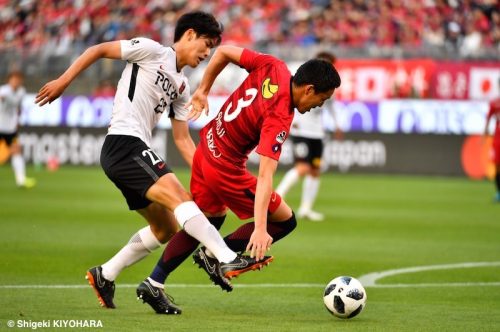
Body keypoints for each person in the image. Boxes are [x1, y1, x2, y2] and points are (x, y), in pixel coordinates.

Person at [35, 11, 268, 315]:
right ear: (188, 35)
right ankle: (225, 256)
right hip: (124, 142)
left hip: (130, 151)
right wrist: (64, 81)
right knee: (182, 200)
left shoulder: (182, 88)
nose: (207, 53)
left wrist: (209, 170)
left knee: (166, 228)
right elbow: (98, 50)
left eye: (212, 48)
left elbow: (183, 140)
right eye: (206, 44)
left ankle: (105, 274)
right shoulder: (151, 50)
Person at [140, 45, 341, 314]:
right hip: (224, 168)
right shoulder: (280, 114)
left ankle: (155, 281)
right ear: (309, 90)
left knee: (207, 220)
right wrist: (259, 228)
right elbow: (266, 175)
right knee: (285, 220)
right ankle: (215, 254)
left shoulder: (274, 66)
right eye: (323, 99)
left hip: (206, 147)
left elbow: (222, 51)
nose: (320, 105)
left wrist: (204, 90)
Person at [276, 52, 342, 221]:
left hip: (317, 133)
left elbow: (331, 107)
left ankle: (306, 208)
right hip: (301, 131)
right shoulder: (307, 81)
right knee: (303, 167)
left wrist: (337, 125)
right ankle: (276, 198)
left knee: (315, 170)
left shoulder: (328, 86)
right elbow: (292, 99)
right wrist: (292, 122)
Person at [0, 70, 36, 189]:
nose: (16, 81)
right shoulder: (4, 91)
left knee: (17, 151)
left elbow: (18, 108)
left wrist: (17, 121)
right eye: (13, 79)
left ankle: (21, 180)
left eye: (18, 79)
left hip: (10, 129)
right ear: (9, 80)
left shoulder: (21, 92)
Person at [484, 87, 500, 202]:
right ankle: (499, 192)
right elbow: (489, 118)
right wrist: (484, 132)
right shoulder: (495, 103)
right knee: (497, 166)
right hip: (498, 140)